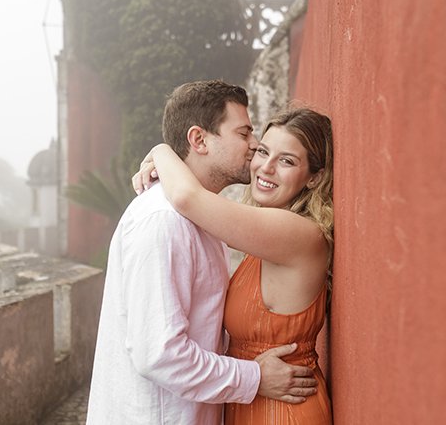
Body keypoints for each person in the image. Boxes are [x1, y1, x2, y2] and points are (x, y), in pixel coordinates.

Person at [86, 80, 316, 425]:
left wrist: (161, 151)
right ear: (199, 140)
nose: (254, 148)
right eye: (243, 134)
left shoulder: (204, 219)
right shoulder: (164, 222)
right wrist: (253, 377)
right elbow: (159, 355)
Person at [131, 107, 335, 424]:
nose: (266, 168)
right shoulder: (264, 239)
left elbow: (187, 198)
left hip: (284, 410)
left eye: (287, 161)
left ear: (314, 178)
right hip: (254, 398)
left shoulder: (297, 235)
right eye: (263, 152)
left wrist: (161, 151)